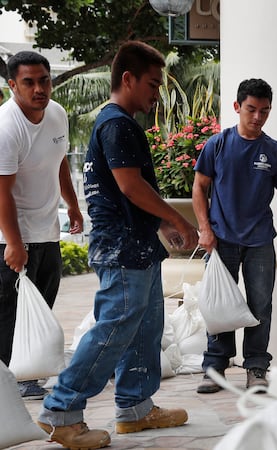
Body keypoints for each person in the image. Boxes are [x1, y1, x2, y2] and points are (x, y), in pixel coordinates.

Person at [37, 41, 199, 449]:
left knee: (146, 325)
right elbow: (130, 186)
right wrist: (176, 217)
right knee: (113, 328)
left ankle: (135, 407)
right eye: (151, 83)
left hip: (136, 244)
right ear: (126, 79)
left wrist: (159, 228)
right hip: (122, 248)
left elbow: (127, 190)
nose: (156, 93)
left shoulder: (119, 124)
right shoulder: (116, 124)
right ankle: (61, 411)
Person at [193, 78, 277, 394]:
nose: (257, 117)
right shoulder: (218, 145)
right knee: (218, 304)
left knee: (260, 305)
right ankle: (215, 366)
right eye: (251, 109)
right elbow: (200, 187)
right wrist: (204, 229)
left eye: (264, 111)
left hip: (259, 241)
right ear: (237, 107)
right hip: (220, 238)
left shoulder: (275, 152)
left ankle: (256, 367)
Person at [0, 51, 83, 400]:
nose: (39, 89)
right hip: (10, 234)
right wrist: (14, 244)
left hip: (47, 229)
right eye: (29, 82)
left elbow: (59, 159)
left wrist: (73, 203)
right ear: (12, 85)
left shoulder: (56, 114)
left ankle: (28, 372)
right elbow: (1, 191)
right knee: (9, 311)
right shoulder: (6, 127)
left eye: (44, 80)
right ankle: (9, 379)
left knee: (41, 303)